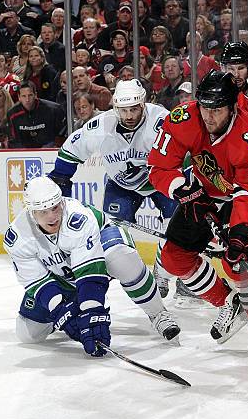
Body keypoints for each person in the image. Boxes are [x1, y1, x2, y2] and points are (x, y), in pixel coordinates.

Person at [147, 70, 248, 355]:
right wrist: (181, 190)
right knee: (173, 259)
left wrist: (241, 231)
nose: (209, 117)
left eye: (217, 110)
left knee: (240, 262)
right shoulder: (184, 119)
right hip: (202, 193)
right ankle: (228, 304)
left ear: (233, 107)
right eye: (205, 109)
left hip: (243, 197)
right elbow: (159, 167)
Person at [3, 176, 180, 354]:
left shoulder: (77, 218)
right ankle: (75, 306)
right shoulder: (18, 237)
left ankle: (158, 313)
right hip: (63, 276)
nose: (52, 216)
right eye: (43, 212)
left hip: (102, 248)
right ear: (31, 212)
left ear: (62, 203)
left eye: (55, 207)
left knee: (121, 257)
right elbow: (37, 281)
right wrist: (61, 312)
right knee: (28, 333)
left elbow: (90, 273)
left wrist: (92, 309)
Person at [49, 79, 178, 297]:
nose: (129, 116)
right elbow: (70, 150)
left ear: (144, 104)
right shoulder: (100, 127)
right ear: (115, 107)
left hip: (161, 181)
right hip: (121, 185)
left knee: (176, 228)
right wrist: (60, 179)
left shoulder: (162, 121)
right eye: (123, 110)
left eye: (134, 109)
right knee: (112, 237)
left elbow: (185, 152)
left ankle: (163, 272)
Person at [7, 81, 65, 148]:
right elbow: (13, 141)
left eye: (30, 95)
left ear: (35, 95)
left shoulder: (53, 110)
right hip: (24, 152)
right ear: (19, 97)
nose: (27, 99)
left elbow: (61, 135)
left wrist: (50, 146)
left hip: (49, 151)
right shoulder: (12, 114)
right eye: (24, 96)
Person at [219, 41, 248, 115]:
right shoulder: (218, 94)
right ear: (224, 69)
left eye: (241, 68)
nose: (236, 75)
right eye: (231, 69)